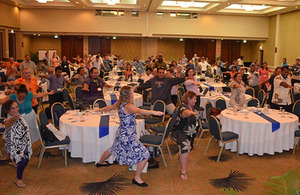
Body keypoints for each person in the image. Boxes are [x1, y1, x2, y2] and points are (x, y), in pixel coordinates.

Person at [96, 86, 163, 187]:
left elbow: (110, 107)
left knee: (113, 148)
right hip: (127, 136)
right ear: (127, 95)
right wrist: (153, 112)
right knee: (145, 155)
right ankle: (137, 178)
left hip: (121, 132)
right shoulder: (128, 106)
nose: (133, 94)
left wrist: (100, 110)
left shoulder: (120, 103)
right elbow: (139, 111)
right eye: (131, 93)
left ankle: (99, 162)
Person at [3, 100, 33, 188]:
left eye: (16, 107)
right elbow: (8, 124)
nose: (16, 109)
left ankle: (14, 161)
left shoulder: (20, 117)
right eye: (13, 108)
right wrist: (12, 119)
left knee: (24, 160)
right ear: (8, 111)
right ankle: (18, 180)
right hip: (14, 147)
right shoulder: (8, 119)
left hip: (24, 144)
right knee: (23, 161)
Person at [171, 91, 199, 180]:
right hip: (180, 132)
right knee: (186, 148)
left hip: (189, 133)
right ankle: (183, 171)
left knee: (188, 148)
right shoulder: (183, 107)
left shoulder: (193, 107)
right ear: (188, 99)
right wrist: (189, 113)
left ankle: (182, 154)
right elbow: (184, 113)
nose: (195, 101)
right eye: (194, 99)